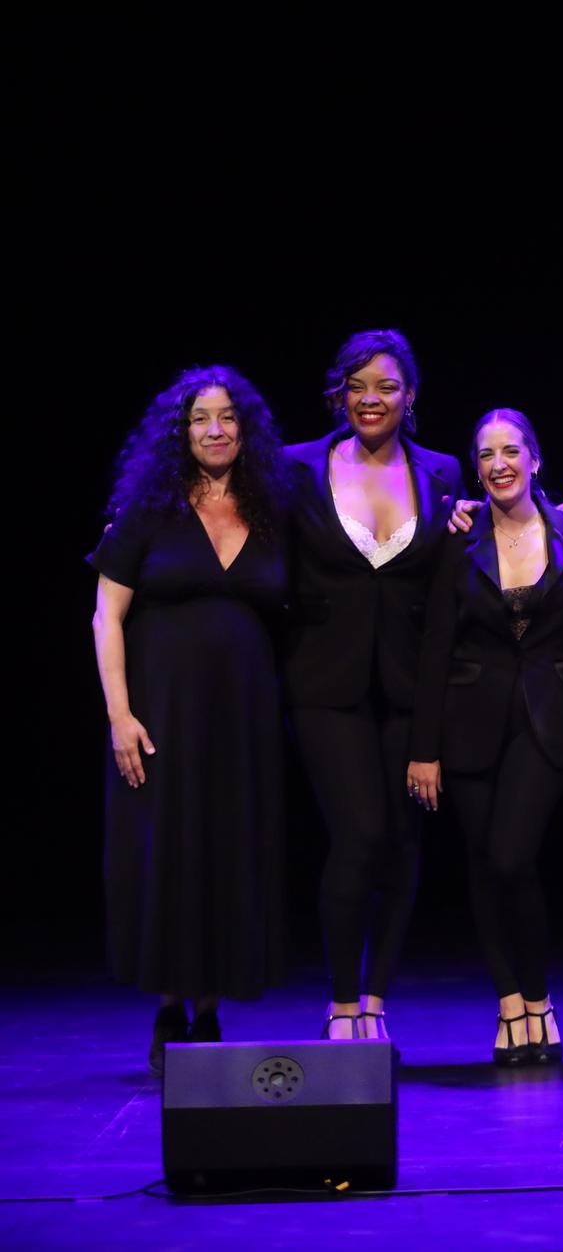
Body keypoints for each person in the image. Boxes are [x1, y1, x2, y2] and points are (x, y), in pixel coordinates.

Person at [89, 366, 292, 1073]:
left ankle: (210, 1006)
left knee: (228, 849)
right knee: (172, 851)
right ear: (181, 430)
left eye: (228, 416)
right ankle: (173, 1005)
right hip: (163, 714)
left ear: (247, 429)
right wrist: (120, 714)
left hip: (244, 719)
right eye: (201, 417)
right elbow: (106, 614)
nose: (215, 428)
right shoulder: (151, 509)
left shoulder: (272, 507)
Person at [284, 329, 466, 1040]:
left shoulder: (444, 471)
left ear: (410, 396)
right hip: (324, 682)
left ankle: (376, 1002)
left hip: (411, 683)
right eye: (358, 385)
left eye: (386, 386)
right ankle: (339, 1002)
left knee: (400, 843)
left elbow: (473, 554)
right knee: (358, 833)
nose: (371, 398)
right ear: (339, 393)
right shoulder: (298, 467)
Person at [407, 410, 563, 1065]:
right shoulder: (456, 538)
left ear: (536, 459)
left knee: (513, 856)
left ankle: (540, 999)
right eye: (486, 454)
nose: (499, 464)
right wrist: (423, 747)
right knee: (483, 863)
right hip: (467, 721)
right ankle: (511, 1004)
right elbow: (434, 645)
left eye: (512, 450)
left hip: (547, 720)